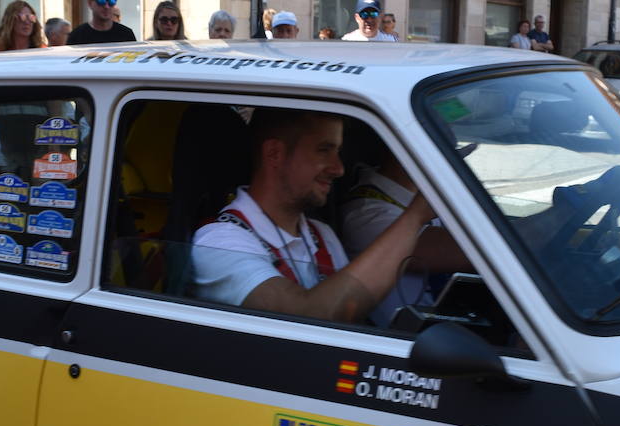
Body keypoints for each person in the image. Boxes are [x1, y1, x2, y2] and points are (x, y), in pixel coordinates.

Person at [191, 108, 434, 323]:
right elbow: (308, 319)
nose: (338, 169)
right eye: (323, 150)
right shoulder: (219, 241)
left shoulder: (321, 234)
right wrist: (415, 215)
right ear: (274, 154)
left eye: (338, 151)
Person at [340, 151, 473, 327]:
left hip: (440, 328)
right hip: (402, 339)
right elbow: (473, 253)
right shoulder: (366, 213)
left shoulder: (418, 200)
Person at [67, 0, 137, 45]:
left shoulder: (126, 34)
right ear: (90, 3)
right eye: (101, 1)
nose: (106, 6)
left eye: (111, 2)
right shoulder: (77, 35)